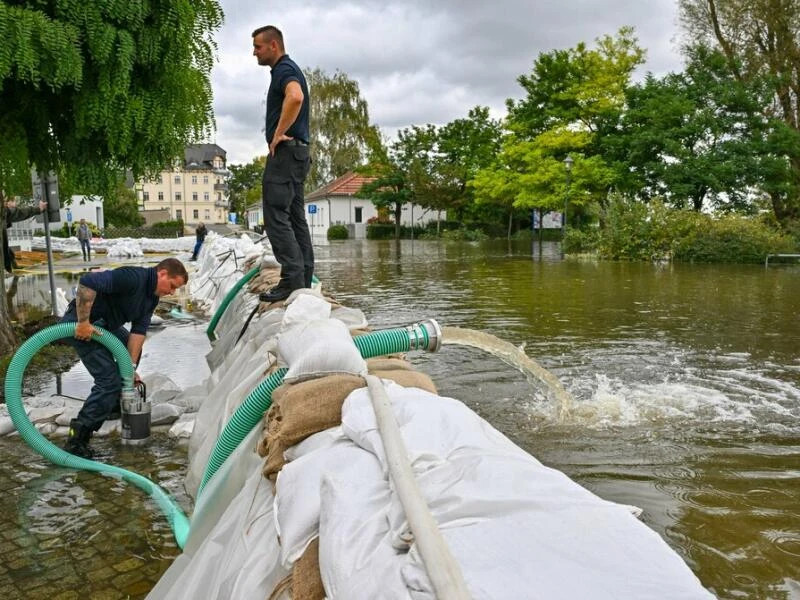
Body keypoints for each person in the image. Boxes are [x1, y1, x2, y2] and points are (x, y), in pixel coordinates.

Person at [60, 258, 188, 458]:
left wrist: (130, 371)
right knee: (108, 381)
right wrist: (83, 322)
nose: (171, 292)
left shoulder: (151, 298)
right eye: (172, 286)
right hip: (81, 326)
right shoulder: (132, 278)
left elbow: (138, 335)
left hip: (105, 326)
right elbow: (88, 281)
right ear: (162, 273)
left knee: (128, 346)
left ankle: (111, 404)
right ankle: (77, 439)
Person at [252, 25, 314, 302]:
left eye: (258, 47)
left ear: (274, 45)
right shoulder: (288, 68)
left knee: (276, 217)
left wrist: (278, 134)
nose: (254, 53)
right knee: (296, 218)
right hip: (299, 155)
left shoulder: (284, 70)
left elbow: (296, 96)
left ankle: (291, 282)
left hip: (287, 154)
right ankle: (303, 279)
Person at [3, 199, 47, 273]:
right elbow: (20, 213)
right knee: (7, 251)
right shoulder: (4, 211)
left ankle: (14, 267)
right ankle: (12, 268)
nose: (15, 204)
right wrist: (39, 209)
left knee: (8, 252)